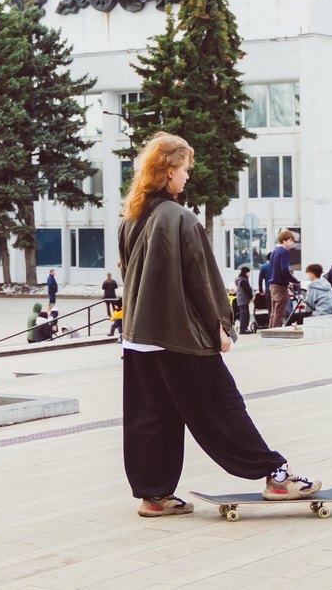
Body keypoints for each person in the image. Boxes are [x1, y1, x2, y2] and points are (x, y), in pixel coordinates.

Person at [118, 132, 320, 518]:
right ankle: (276, 476)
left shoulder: (131, 219)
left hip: (138, 337)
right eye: (185, 169)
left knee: (152, 417)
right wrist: (220, 325)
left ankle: (154, 495)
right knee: (222, 408)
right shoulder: (181, 219)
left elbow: (130, 274)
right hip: (178, 335)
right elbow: (202, 278)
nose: (187, 176)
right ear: (169, 171)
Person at [267, 230, 300, 328]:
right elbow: (284, 270)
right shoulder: (285, 251)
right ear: (284, 241)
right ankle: (275, 333)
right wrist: (295, 281)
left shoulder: (274, 251)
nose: (292, 242)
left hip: (273, 285)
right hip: (281, 286)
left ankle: (270, 331)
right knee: (280, 313)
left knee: (274, 313)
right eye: (290, 240)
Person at [234, 266, 255, 334]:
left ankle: (244, 328)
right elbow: (247, 290)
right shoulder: (243, 281)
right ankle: (243, 329)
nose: (249, 274)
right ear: (245, 273)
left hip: (242, 300)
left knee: (245, 314)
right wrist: (251, 297)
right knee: (244, 314)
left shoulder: (241, 279)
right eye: (248, 272)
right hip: (243, 300)